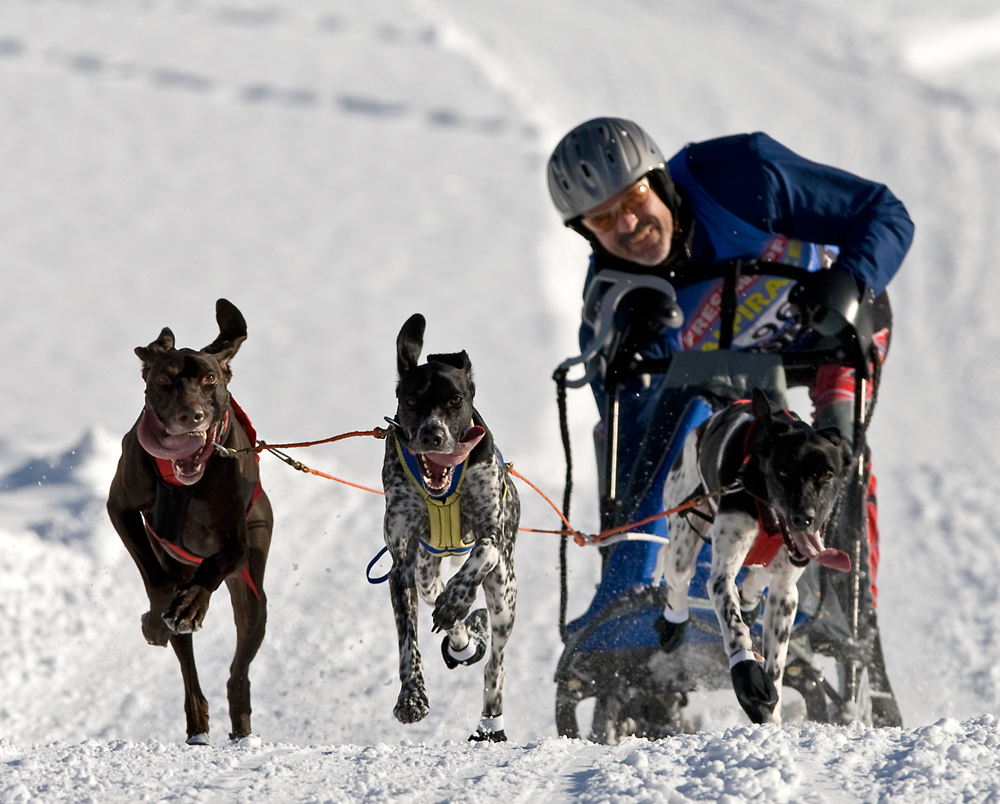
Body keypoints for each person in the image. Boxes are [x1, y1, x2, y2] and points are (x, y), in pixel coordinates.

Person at [547, 118, 913, 727]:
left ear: (659, 181)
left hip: (831, 325)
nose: (629, 228)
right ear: (583, 231)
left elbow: (885, 213)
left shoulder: (742, 177)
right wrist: (623, 352)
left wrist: (849, 280)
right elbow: (630, 441)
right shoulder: (612, 292)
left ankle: (856, 638)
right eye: (603, 221)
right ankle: (643, 620)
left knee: (832, 458)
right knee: (654, 439)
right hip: (718, 362)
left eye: (634, 202)